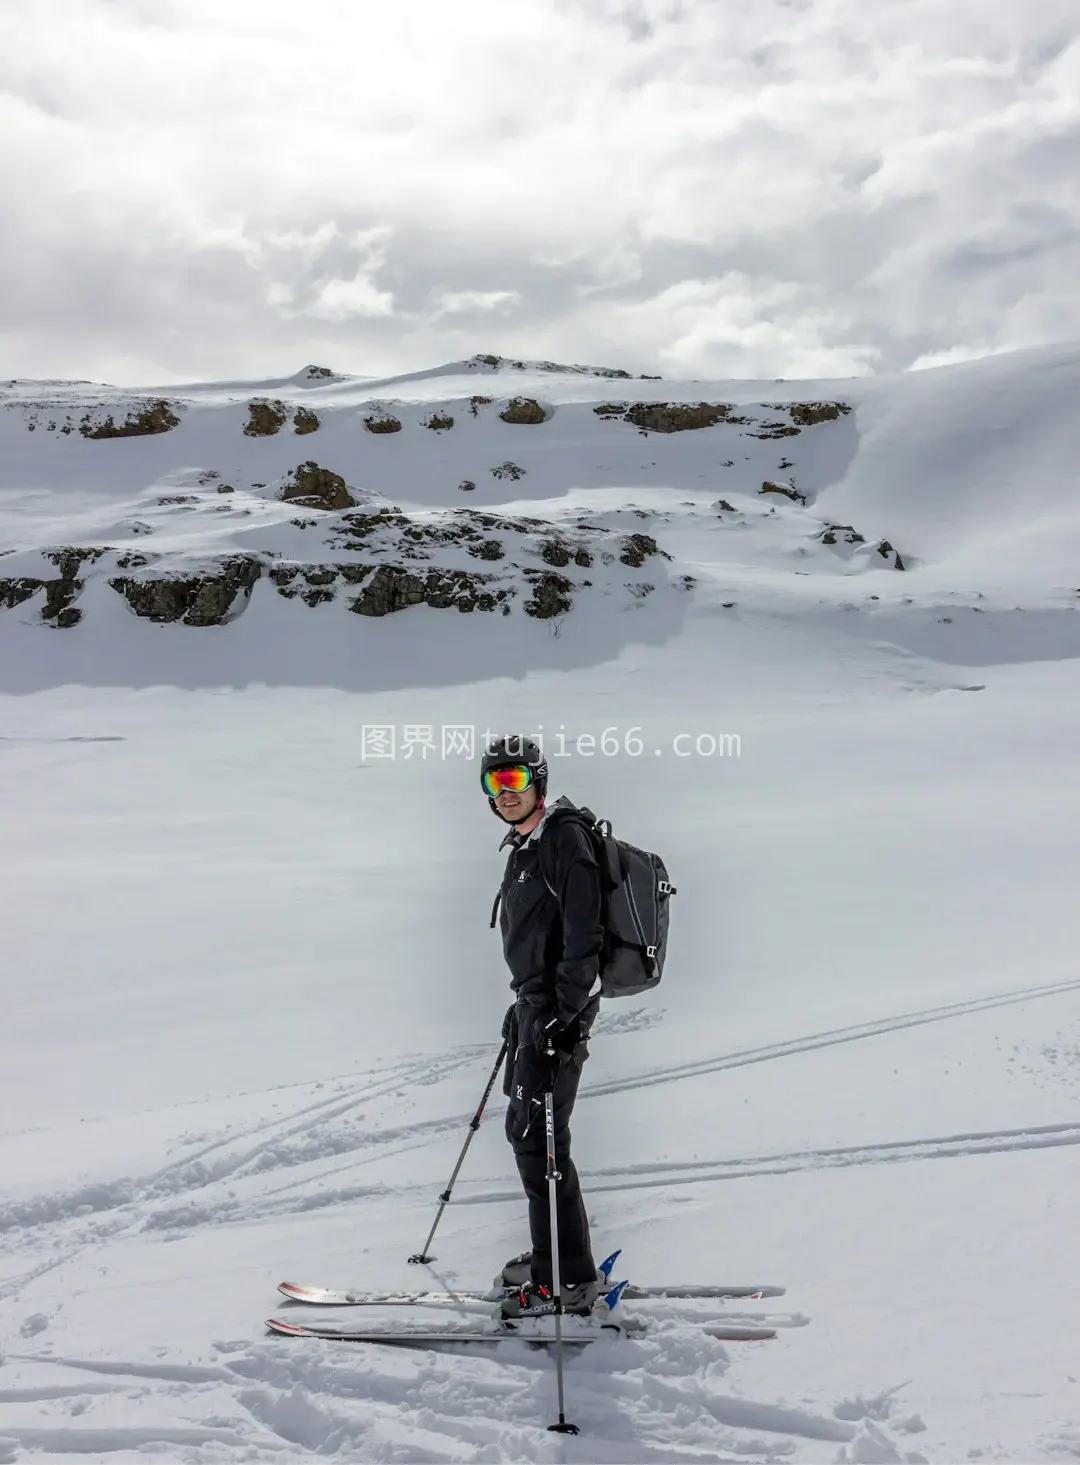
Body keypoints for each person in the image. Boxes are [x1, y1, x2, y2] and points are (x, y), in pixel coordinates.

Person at [480, 733, 604, 1318]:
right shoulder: (525, 848)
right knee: (527, 1136)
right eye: (494, 783)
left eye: (514, 780)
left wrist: (562, 1010)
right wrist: (525, 1002)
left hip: (559, 1015)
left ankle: (567, 1281)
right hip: (535, 1008)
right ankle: (552, 1255)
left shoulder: (564, 839)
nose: (505, 793)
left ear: (539, 781)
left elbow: (585, 934)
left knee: (543, 1143)